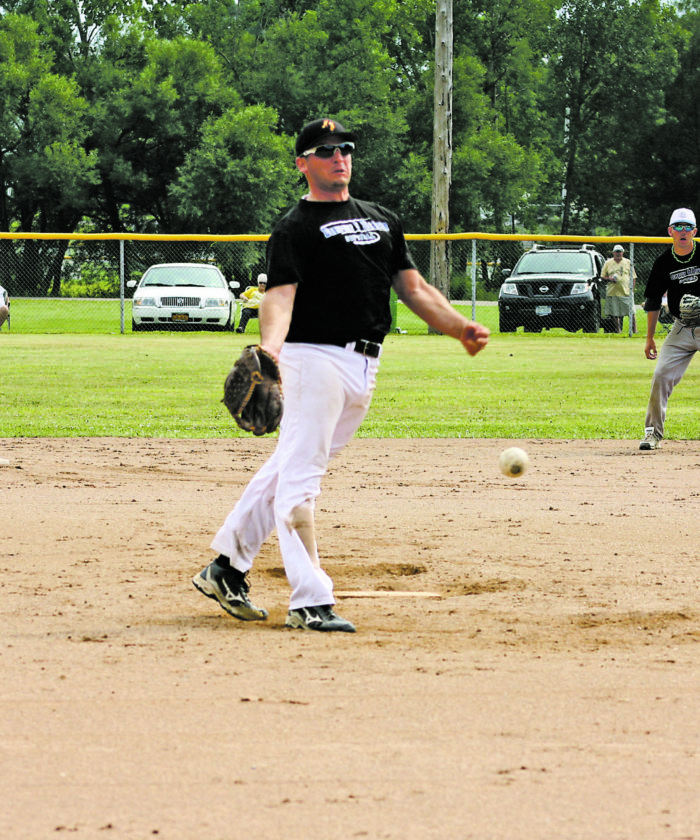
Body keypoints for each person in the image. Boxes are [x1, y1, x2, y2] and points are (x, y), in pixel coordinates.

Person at [192, 117, 490, 632]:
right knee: (300, 479)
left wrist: (459, 327)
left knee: (288, 466)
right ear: (303, 163)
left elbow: (413, 289)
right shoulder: (294, 228)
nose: (339, 157)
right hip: (313, 359)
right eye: (326, 150)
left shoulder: (382, 219)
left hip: (364, 364)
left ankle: (226, 567)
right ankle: (310, 599)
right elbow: (279, 297)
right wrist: (269, 352)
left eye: (345, 148)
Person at [639, 207, 700, 451]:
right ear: (670, 231)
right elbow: (653, 301)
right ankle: (652, 433)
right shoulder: (663, 263)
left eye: (688, 227)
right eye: (678, 227)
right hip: (681, 328)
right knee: (661, 374)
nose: (683, 231)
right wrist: (650, 338)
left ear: (695, 231)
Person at [601, 244, 637, 333]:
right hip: (613, 292)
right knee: (614, 313)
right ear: (613, 253)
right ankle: (618, 330)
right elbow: (602, 276)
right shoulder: (608, 263)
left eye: (620, 252)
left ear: (623, 252)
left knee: (631, 312)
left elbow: (633, 277)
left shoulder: (628, 262)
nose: (618, 254)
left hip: (626, 292)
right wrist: (610, 279)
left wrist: (632, 290)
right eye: (616, 252)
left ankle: (634, 330)